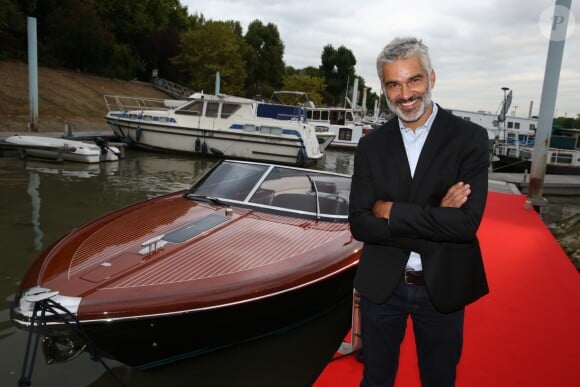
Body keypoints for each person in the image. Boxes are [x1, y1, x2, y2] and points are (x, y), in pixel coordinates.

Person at [348, 37, 490, 387]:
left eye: (414, 80)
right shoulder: (371, 146)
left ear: (432, 77)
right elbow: (361, 223)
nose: (406, 94)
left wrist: (392, 211)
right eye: (394, 84)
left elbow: (465, 225)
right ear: (383, 89)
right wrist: (436, 214)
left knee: (439, 380)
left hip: (442, 285)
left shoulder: (469, 139)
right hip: (383, 286)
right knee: (376, 379)